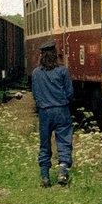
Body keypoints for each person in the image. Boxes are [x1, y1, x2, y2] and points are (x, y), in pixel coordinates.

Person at [31, 42, 74, 187]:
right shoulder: (63, 71)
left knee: (44, 144)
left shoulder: (36, 73)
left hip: (45, 112)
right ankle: (63, 171)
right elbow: (70, 93)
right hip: (61, 110)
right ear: (55, 54)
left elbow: (35, 95)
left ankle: (45, 177)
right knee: (64, 142)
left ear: (41, 55)